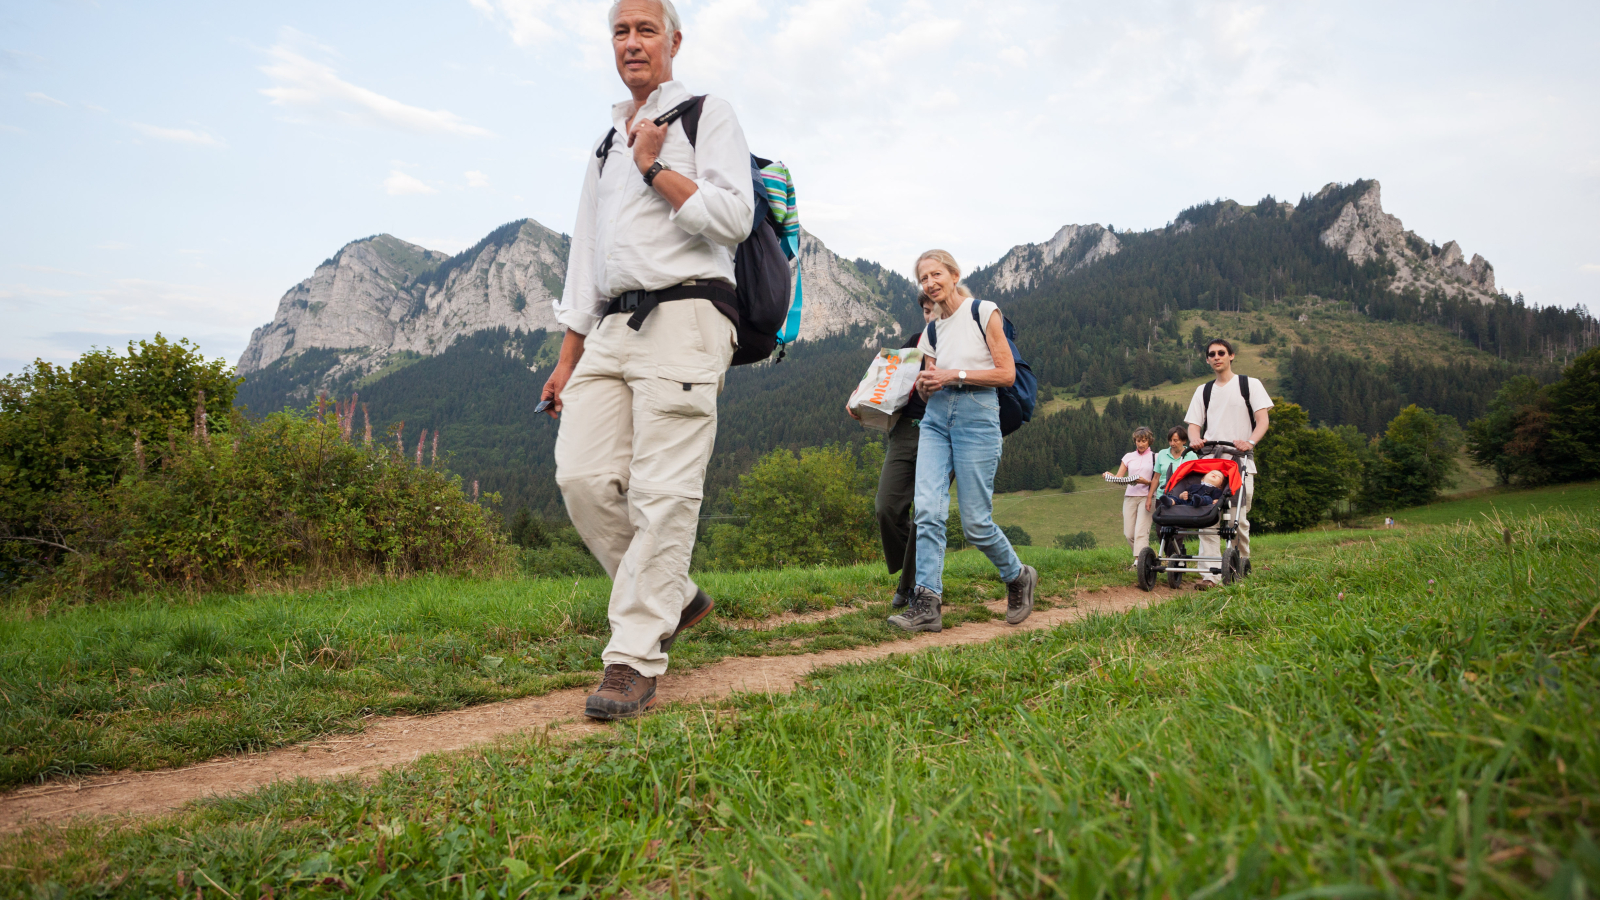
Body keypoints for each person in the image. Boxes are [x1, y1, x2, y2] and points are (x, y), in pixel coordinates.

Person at [540, 0, 757, 719]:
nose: (632, 42)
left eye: (645, 30)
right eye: (621, 32)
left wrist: (656, 165)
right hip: (611, 326)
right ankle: (677, 594)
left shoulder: (705, 114)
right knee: (581, 476)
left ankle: (632, 657)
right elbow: (586, 262)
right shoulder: (605, 142)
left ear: (674, 40)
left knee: (663, 490)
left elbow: (735, 217)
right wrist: (568, 356)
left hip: (690, 314)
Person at [889, 250, 1037, 633]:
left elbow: (1005, 374)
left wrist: (953, 374)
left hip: (977, 417)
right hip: (936, 419)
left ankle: (1018, 575)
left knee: (975, 523)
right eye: (923, 278)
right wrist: (924, 384)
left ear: (954, 275)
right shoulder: (931, 331)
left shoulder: (983, 311)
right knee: (927, 510)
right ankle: (927, 603)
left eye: (936, 274)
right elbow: (926, 384)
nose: (930, 283)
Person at [861, 293, 939, 609]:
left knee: (924, 513)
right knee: (886, 507)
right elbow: (885, 383)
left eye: (936, 309)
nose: (930, 315)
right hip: (906, 429)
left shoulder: (963, 346)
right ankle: (922, 568)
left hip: (943, 433)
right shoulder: (914, 342)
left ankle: (910, 587)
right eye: (925, 310)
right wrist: (861, 403)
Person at [1185, 338, 1273, 589]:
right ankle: (1209, 576)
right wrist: (1195, 441)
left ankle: (1241, 566)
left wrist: (1250, 442)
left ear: (1231, 355)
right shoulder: (1203, 390)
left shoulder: (1250, 385)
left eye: (1221, 352)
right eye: (1211, 354)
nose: (1216, 357)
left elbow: (1262, 420)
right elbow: (1193, 425)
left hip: (1241, 462)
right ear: (1207, 359)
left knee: (1238, 520)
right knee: (1207, 517)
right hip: (1211, 464)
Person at [1104, 427, 1157, 565]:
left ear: (1149, 441)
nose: (1141, 444)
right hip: (1130, 496)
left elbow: (1158, 481)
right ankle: (1146, 558)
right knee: (1129, 533)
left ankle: (1140, 562)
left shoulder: (1155, 457)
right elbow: (1119, 477)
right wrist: (1109, 476)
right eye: (1138, 441)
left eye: (1144, 441)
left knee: (1141, 531)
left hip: (1147, 496)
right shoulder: (1128, 457)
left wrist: (1146, 482)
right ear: (1135, 441)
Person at [1151, 426, 1198, 507]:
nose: (1172, 443)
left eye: (1175, 440)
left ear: (1184, 441)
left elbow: (1196, 479)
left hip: (1182, 499)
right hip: (1162, 497)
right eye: (1170, 440)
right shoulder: (1162, 453)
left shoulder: (1192, 456)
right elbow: (1156, 478)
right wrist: (1149, 497)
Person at [1158, 470, 1228, 509]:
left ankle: (1199, 500)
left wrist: (1217, 501)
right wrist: (1182, 495)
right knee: (1176, 498)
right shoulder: (1194, 486)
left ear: (1220, 485)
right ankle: (1169, 501)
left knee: (1208, 498)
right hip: (1187, 502)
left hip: (1204, 505)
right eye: (1212, 473)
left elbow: (1217, 499)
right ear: (1203, 478)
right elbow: (1185, 493)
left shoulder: (1216, 490)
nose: (1215, 474)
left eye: (1219, 476)